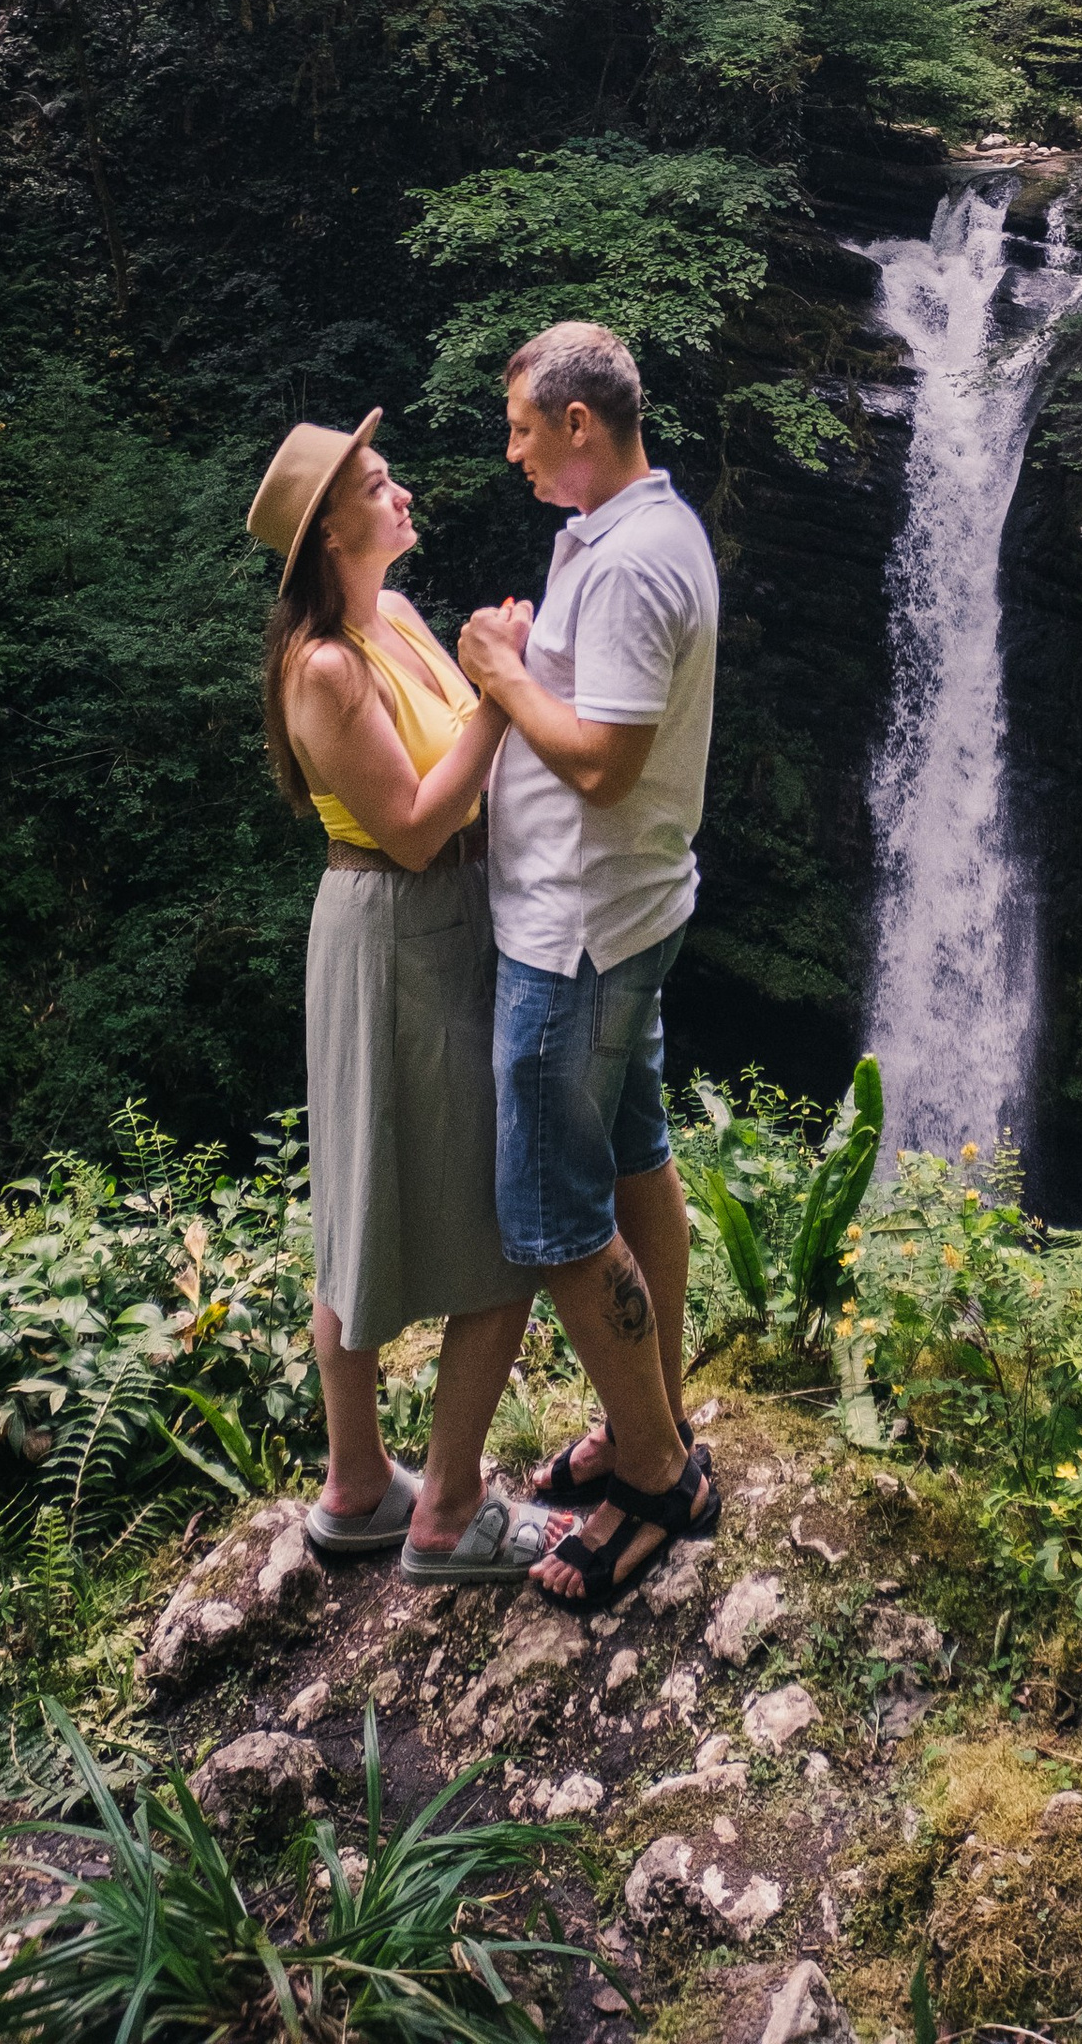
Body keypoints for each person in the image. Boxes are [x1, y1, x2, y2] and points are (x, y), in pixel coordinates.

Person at [248, 414, 550, 1586]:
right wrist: (500, 691)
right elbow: (419, 827)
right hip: (393, 932)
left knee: (395, 1194)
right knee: (471, 1208)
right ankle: (445, 1512)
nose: (403, 491)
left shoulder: (400, 621)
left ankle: (361, 1487)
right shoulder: (323, 667)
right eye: (379, 485)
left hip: (451, 929)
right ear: (331, 528)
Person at [454, 321, 725, 1608]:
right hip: (633, 910)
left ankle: (656, 1480)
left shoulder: (626, 569)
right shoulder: (637, 533)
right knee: (637, 1157)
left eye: (520, 426)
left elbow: (604, 763)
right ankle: (647, 1419)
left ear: (577, 423)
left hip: (575, 937)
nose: (507, 451)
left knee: (561, 1223)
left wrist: (502, 675)